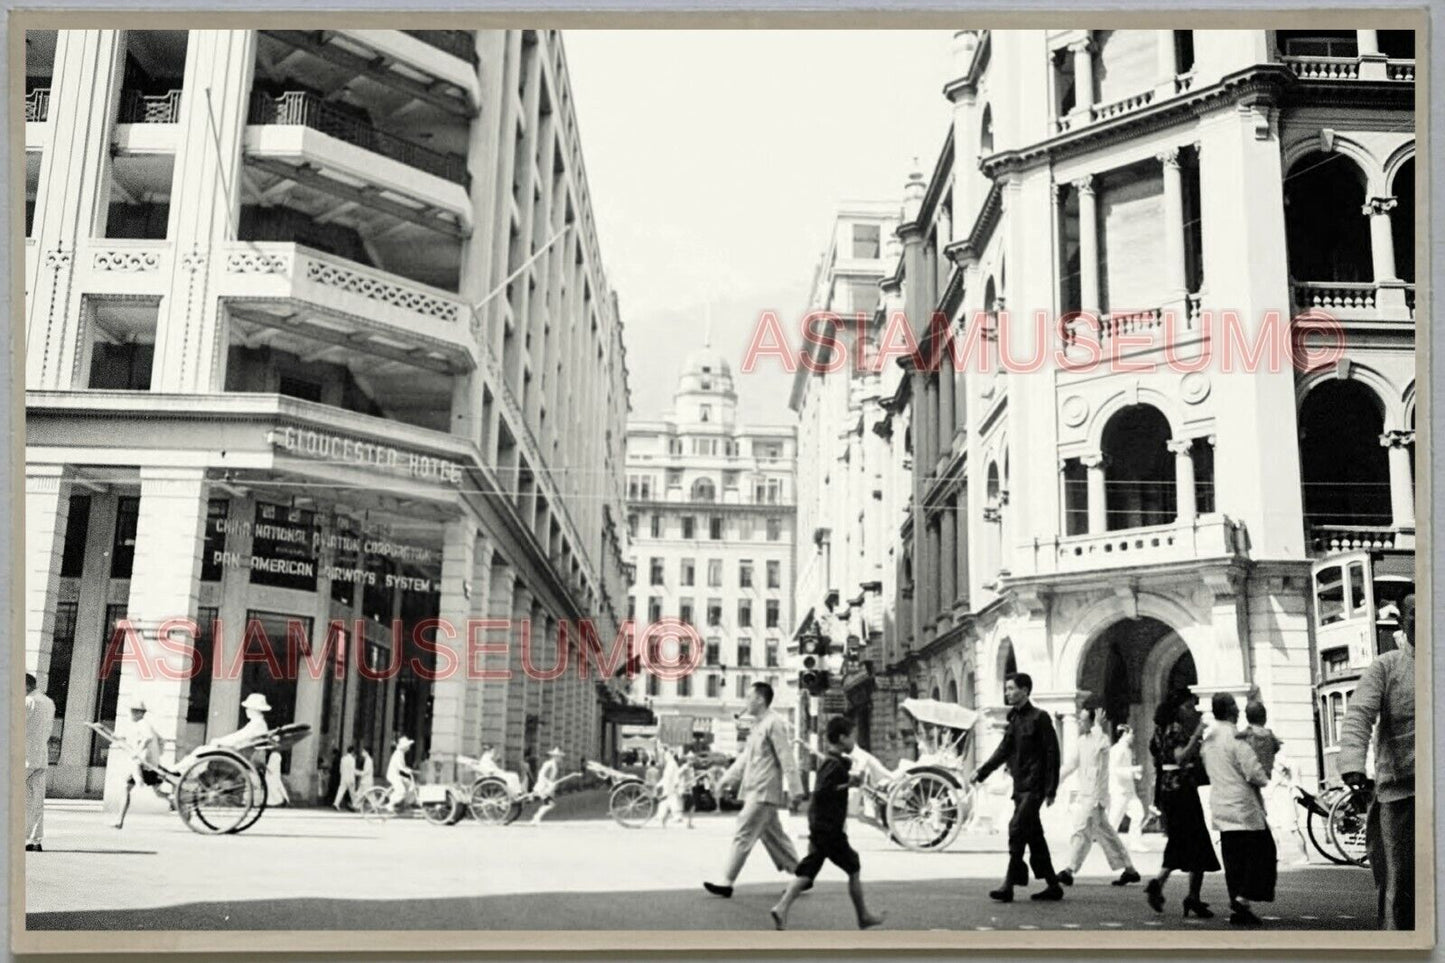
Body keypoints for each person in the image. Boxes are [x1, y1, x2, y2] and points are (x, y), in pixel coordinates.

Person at [1339, 592, 1415, 930]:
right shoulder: (1387, 667)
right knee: (1402, 884)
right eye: (1415, 612)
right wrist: (1353, 763)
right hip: (1401, 794)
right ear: (1402, 621)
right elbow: (1358, 715)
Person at [770, 716, 885, 930]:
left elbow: (828, 788)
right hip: (829, 828)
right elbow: (823, 791)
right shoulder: (833, 764)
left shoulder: (833, 761)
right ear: (842, 738)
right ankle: (863, 916)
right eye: (852, 737)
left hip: (822, 826)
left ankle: (782, 907)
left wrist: (848, 783)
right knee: (852, 864)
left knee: (810, 869)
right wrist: (848, 783)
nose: (854, 742)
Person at [704, 681, 805, 898]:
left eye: (749, 697)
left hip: (764, 790)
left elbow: (785, 756)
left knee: (744, 831)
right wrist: (725, 780)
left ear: (760, 699)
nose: (746, 702)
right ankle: (802, 875)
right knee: (774, 837)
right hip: (755, 789)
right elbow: (744, 760)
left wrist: (796, 789)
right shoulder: (758, 726)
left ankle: (726, 882)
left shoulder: (774, 723)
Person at [970, 672, 1063, 902]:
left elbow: (1053, 755)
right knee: (1034, 836)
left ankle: (1009, 883)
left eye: (1012, 688)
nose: (1007, 692)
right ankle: (1053, 885)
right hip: (1020, 787)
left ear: (1025, 690)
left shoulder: (1040, 718)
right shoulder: (1014, 719)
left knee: (1016, 828)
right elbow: (1003, 750)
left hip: (1035, 787)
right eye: (1007, 688)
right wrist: (981, 772)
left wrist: (1051, 789)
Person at [1200, 692, 1275, 926]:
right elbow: (1253, 772)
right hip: (1243, 806)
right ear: (1230, 710)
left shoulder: (1208, 740)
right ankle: (1243, 898)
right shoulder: (1235, 738)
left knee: (1233, 860)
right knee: (1262, 853)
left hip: (1220, 804)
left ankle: (1239, 906)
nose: (1238, 709)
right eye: (1234, 705)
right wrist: (1264, 778)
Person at [1144, 698, 1220, 918]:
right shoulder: (1175, 729)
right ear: (1175, 709)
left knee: (1180, 839)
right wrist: (1197, 735)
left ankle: (1178, 890)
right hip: (1182, 790)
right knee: (1196, 838)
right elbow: (1180, 756)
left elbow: (1158, 760)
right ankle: (1183, 892)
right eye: (1186, 706)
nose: (1190, 710)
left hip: (1167, 789)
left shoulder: (1157, 731)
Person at [1056, 708, 1141, 888]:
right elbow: (1071, 764)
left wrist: (1097, 728)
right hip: (1087, 795)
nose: (1080, 723)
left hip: (1095, 797)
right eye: (1079, 720)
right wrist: (1055, 779)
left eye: (1083, 720)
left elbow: (1099, 750)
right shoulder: (1081, 742)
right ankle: (1129, 869)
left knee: (1082, 832)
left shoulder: (1101, 740)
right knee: (1106, 833)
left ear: (1092, 722)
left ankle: (1069, 870)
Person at [114, 700, 168, 829]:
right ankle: (178, 803)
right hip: (150, 764)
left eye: (133, 711)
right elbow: (161, 740)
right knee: (158, 792)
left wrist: (138, 752)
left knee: (126, 787)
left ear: (139, 713)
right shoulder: (144, 725)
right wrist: (157, 755)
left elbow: (147, 738)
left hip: (142, 765)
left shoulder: (142, 724)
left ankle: (119, 820)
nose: (130, 714)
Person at [25, 673, 56, 852]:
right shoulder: (48, 702)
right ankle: (34, 841)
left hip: (23, 756)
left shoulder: (27, 702)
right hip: (40, 757)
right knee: (36, 800)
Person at [1107, 725, 1146, 850]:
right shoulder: (1117, 750)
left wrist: (1134, 774)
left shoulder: (1127, 750)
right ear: (1124, 734)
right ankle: (1109, 844)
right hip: (1120, 791)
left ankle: (1135, 843)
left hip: (1129, 791)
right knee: (1114, 819)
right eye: (1131, 733)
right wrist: (1133, 770)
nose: (1133, 736)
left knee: (1138, 814)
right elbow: (1114, 769)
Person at [1237, 699, 1283, 780]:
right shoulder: (1270, 735)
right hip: (1266, 779)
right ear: (1264, 718)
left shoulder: (1244, 735)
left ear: (1247, 718)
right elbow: (1277, 748)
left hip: (1249, 781)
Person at [384, 736, 415, 812]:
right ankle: (390, 804)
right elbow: (400, 766)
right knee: (401, 791)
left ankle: (405, 804)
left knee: (408, 783)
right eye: (407, 746)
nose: (408, 747)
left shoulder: (401, 753)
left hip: (397, 775)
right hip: (393, 775)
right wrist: (406, 770)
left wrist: (408, 769)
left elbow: (402, 766)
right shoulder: (398, 754)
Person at [333, 745, 360, 811]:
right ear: (352, 751)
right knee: (352, 793)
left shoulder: (343, 758)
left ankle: (336, 803)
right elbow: (353, 770)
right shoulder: (352, 759)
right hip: (350, 778)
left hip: (344, 778)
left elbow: (341, 769)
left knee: (341, 791)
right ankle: (355, 805)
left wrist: (342, 776)